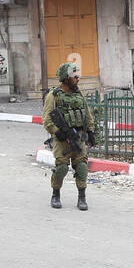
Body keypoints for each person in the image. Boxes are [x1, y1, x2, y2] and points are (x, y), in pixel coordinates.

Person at [42, 61, 95, 210]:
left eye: (78, 76)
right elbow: (46, 119)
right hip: (62, 139)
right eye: (74, 76)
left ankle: (82, 197)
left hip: (79, 136)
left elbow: (87, 115)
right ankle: (55, 194)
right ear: (65, 78)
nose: (78, 79)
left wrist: (90, 131)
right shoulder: (54, 96)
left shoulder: (79, 95)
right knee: (62, 168)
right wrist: (57, 132)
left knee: (82, 167)